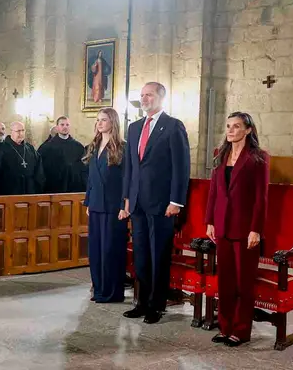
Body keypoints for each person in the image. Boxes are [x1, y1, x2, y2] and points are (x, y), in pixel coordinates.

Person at [121, 82, 190, 324]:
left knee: (158, 255)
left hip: (162, 203)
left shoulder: (173, 126)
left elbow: (181, 166)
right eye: (142, 95)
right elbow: (130, 167)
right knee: (140, 254)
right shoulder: (134, 128)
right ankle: (141, 302)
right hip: (137, 202)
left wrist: (176, 201)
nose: (144, 99)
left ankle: (156, 305)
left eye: (149, 95)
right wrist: (126, 198)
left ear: (161, 97)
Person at [205, 112, 269, 347]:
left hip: (245, 229)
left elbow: (261, 198)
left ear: (248, 130)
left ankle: (240, 331)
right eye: (228, 126)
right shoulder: (220, 155)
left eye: (236, 126)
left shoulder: (258, 158)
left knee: (244, 283)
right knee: (225, 282)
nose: (230, 130)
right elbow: (214, 192)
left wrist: (256, 229)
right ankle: (225, 327)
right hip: (222, 226)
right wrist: (210, 221)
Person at [83, 108, 127, 303]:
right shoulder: (93, 146)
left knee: (110, 249)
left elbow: (127, 179)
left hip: (114, 205)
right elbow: (91, 178)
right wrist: (88, 202)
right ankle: (99, 289)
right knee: (95, 250)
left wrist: (124, 205)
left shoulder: (122, 147)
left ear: (113, 122)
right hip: (96, 204)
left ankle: (112, 292)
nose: (99, 123)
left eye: (103, 120)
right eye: (98, 120)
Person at [38, 116, 86, 193]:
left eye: (67, 125)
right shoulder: (46, 147)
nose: (65, 127)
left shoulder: (78, 147)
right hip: (54, 188)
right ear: (57, 127)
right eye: (62, 125)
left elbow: (83, 168)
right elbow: (40, 170)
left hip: (74, 189)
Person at [0, 121, 44, 195]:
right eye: (18, 131)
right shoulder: (2, 149)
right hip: (10, 191)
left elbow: (39, 169)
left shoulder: (30, 148)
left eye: (23, 130)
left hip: (30, 190)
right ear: (11, 132)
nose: (21, 133)